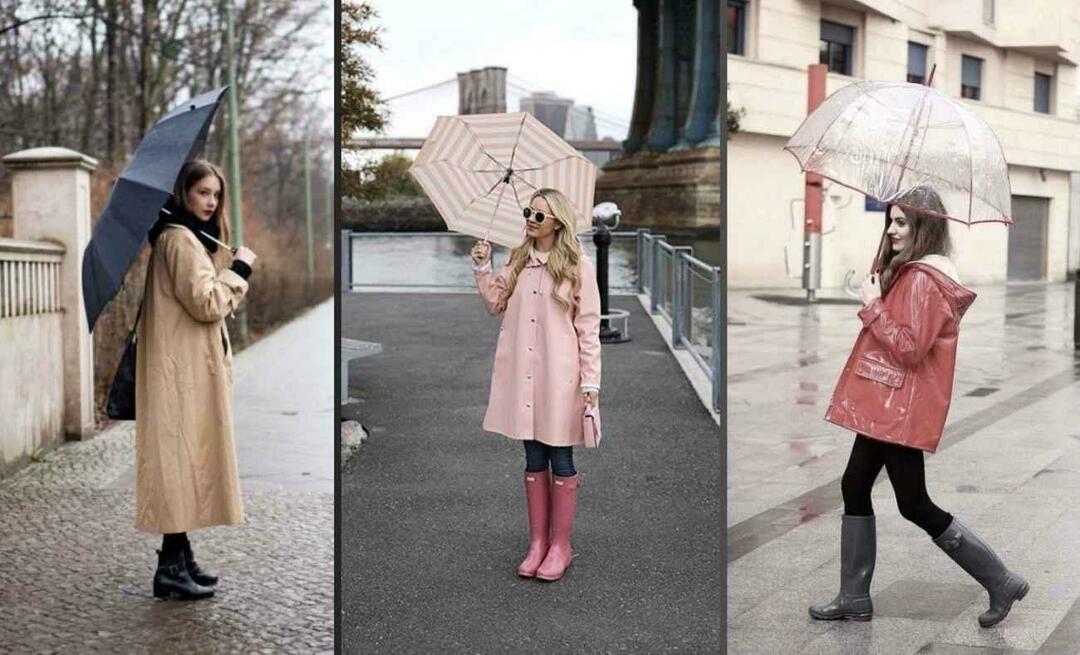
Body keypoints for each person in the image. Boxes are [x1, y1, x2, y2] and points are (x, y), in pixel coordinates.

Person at [810, 187, 1029, 628]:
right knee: (855, 484)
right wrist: (880, 287)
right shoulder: (909, 273)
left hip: (899, 406)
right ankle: (854, 597)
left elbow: (910, 348)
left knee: (914, 503)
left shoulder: (927, 281)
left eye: (901, 222)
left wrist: (872, 306)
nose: (891, 230)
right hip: (887, 402)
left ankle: (1001, 580)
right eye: (890, 221)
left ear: (924, 227)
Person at [135, 159, 257, 600]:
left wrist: (225, 261)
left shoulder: (184, 238)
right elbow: (206, 304)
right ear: (183, 192)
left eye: (216, 194)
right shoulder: (179, 240)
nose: (210, 201)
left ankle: (180, 555)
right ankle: (170, 567)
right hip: (179, 374)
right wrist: (239, 270)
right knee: (178, 464)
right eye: (203, 192)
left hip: (183, 369)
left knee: (183, 463)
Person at [470, 187, 601, 582]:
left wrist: (591, 382)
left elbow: (588, 326)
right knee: (532, 457)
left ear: (557, 222)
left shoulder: (578, 264)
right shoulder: (518, 260)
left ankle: (561, 545)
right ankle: (537, 543)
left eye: (539, 215)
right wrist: (482, 266)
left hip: (561, 378)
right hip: (522, 375)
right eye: (529, 211)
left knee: (560, 457)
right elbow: (495, 304)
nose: (530, 219)